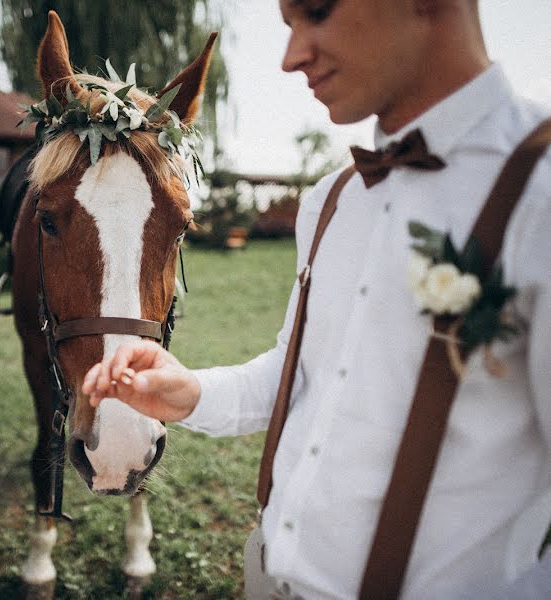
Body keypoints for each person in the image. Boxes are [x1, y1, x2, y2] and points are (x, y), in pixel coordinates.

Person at [82, 1, 551, 598]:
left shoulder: (541, 194)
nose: (290, 57)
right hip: (268, 575)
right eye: (287, 26)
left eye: (317, 12)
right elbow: (300, 372)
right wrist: (192, 392)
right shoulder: (332, 200)